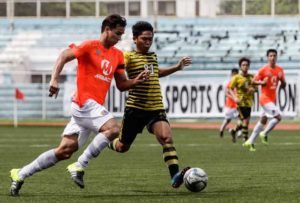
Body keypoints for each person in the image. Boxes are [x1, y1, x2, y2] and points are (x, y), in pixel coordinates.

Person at [9, 14, 149, 196]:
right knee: (114, 129)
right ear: (107, 30)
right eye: (117, 33)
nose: (119, 38)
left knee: (64, 151)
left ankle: (20, 174)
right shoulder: (89, 46)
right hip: (83, 103)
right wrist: (54, 79)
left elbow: (122, 85)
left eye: (122, 34)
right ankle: (80, 164)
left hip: (91, 109)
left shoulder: (118, 55)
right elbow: (63, 56)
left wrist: (136, 81)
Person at [102, 21, 192, 188]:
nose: (148, 42)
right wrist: (135, 80)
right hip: (135, 109)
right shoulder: (127, 57)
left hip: (155, 108)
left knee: (167, 138)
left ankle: (175, 176)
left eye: (150, 39)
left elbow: (156, 73)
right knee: (122, 147)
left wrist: (177, 67)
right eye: (144, 39)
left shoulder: (152, 56)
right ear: (135, 39)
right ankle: (106, 143)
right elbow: (121, 80)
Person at [243, 49, 286, 151]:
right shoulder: (263, 70)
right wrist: (261, 83)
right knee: (278, 117)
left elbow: (283, 86)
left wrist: (282, 80)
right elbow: (253, 82)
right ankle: (264, 133)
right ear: (267, 57)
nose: (272, 57)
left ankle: (250, 141)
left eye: (274, 55)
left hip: (272, 99)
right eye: (270, 56)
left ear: (277, 57)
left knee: (263, 120)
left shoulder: (280, 70)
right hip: (264, 98)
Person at [228, 57, 257, 143]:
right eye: (243, 65)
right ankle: (246, 139)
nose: (245, 66)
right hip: (240, 102)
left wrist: (254, 90)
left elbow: (255, 88)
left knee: (242, 121)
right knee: (246, 120)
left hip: (249, 102)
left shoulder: (252, 77)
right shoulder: (236, 77)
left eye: (247, 65)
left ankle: (233, 131)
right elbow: (230, 88)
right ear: (240, 67)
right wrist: (235, 97)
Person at [219, 68, 240, 140]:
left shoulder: (239, 82)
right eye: (234, 74)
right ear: (231, 74)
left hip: (238, 104)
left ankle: (238, 132)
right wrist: (234, 98)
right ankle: (222, 129)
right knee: (228, 119)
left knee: (241, 118)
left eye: (236, 73)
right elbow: (226, 93)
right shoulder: (229, 82)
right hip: (230, 104)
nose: (235, 75)